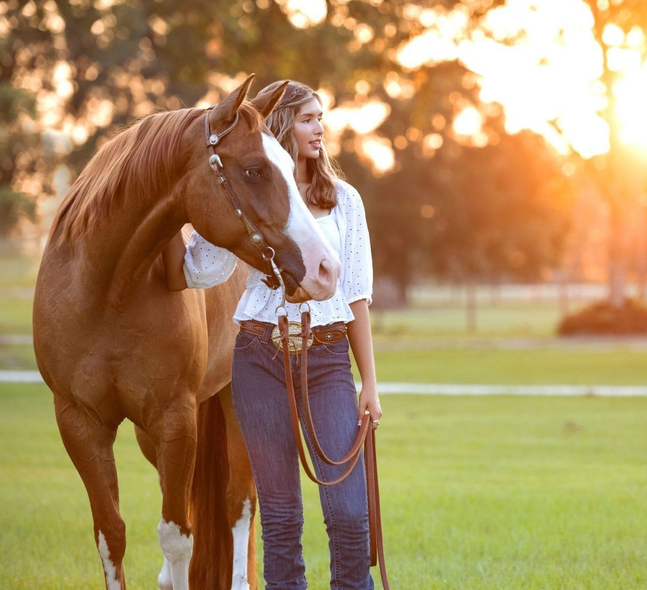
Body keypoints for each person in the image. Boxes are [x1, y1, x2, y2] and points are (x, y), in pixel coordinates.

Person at [163, 80, 381, 589]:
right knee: (281, 518)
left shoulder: (344, 202)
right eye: (307, 118)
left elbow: (355, 296)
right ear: (282, 125)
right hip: (259, 357)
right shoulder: (248, 203)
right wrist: (169, 206)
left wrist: (368, 383)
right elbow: (191, 271)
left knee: (348, 512)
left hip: (326, 361)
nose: (319, 128)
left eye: (321, 118)